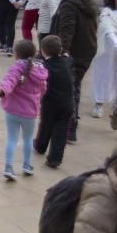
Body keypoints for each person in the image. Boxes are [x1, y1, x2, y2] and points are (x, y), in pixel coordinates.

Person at [53, 0, 99, 142]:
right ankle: (70, 125)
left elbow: (66, 29)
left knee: (69, 89)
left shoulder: (69, 5)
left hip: (73, 53)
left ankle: (69, 127)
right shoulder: (90, 4)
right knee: (74, 86)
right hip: (87, 51)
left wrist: (62, 51)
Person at [0, 39, 47, 181]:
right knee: (28, 139)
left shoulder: (16, 67)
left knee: (11, 139)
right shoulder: (40, 69)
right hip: (30, 112)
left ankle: (9, 167)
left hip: (12, 109)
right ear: (34, 53)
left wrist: (1, 91)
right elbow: (43, 89)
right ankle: (27, 165)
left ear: (16, 54)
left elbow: (9, 81)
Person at [33, 35, 75, 169]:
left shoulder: (45, 66)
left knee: (46, 125)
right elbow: (70, 59)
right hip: (67, 102)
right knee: (61, 131)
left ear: (43, 51)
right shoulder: (67, 62)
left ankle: (40, 146)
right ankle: (55, 159)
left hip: (50, 103)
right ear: (60, 49)